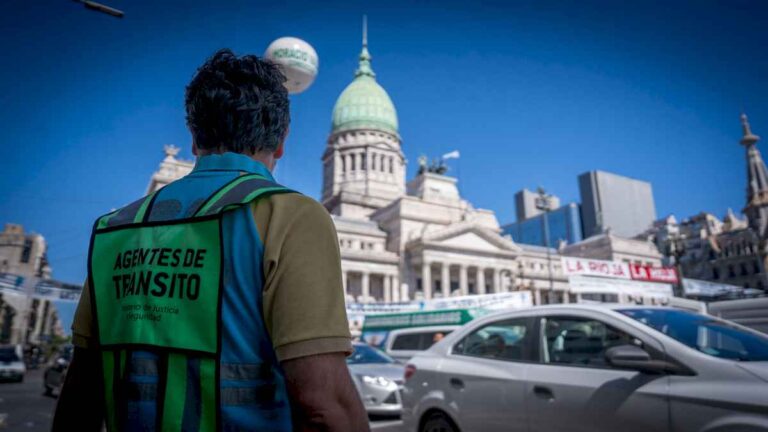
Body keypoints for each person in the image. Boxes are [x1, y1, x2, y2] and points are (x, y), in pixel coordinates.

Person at [53, 49, 369, 432]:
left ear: (193, 137)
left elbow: (80, 394)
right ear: (282, 139)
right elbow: (323, 404)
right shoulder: (289, 216)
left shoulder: (116, 228)